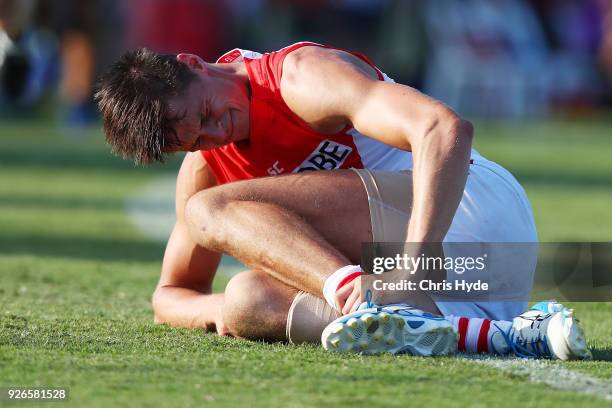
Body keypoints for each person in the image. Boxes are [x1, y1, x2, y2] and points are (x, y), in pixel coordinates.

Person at [95, 42, 590, 359]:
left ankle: (373, 297)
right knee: (246, 300)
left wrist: (415, 265)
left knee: (208, 210)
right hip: (475, 277)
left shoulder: (299, 78)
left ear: (194, 64)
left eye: (204, 111)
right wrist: (216, 314)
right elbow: (170, 295)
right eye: (196, 140)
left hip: (470, 217)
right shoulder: (208, 162)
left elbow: (444, 127)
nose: (215, 132)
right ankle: (492, 334)